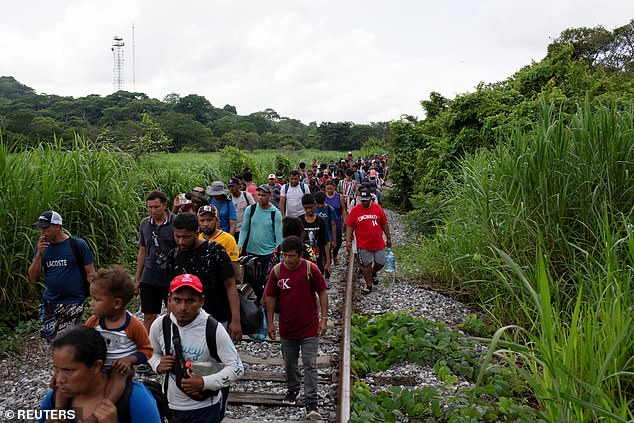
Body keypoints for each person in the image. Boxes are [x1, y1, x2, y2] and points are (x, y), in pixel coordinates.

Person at [54, 266, 154, 421]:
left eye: (97, 299)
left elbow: (147, 350)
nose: (91, 304)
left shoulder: (133, 325)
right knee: (62, 383)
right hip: (95, 370)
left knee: (118, 375)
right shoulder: (93, 322)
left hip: (119, 370)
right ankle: (58, 413)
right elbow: (81, 343)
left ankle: (103, 409)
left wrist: (128, 360)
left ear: (116, 303)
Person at [149, 274, 244, 423]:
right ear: (169, 300)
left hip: (204, 409)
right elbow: (151, 353)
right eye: (177, 300)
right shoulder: (161, 325)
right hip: (169, 406)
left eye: (190, 301)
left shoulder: (213, 329)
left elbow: (237, 368)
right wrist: (157, 364)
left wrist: (204, 382)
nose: (183, 307)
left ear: (201, 301)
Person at [40, 326, 161, 423]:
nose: (60, 379)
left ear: (96, 366)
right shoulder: (53, 401)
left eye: (69, 370)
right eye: (56, 369)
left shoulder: (135, 399)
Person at [265, 236, 328, 421]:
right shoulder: (277, 271)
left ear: (300, 255)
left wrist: (323, 319)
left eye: (292, 256)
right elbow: (270, 297)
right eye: (285, 256)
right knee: (289, 363)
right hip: (287, 327)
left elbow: (322, 292)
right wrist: (270, 323)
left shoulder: (311, 269)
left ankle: (311, 400)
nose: (288, 260)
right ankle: (292, 389)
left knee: (310, 364)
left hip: (309, 327)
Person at [165, 212, 242, 343]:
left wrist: (236, 320)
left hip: (216, 318)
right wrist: (169, 319)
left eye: (186, 237)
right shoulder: (174, 256)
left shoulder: (215, 252)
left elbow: (230, 285)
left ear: (196, 233)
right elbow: (171, 292)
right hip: (186, 319)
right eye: (177, 237)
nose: (181, 241)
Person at [28, 210, 96, 341]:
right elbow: (32, 277)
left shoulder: (78, 245)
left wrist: (97, 299)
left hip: (73, 302)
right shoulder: (42, 247)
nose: (42, 232)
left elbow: (91, 274)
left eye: (46, 228)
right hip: (49, 302)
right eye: (40, 228)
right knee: (51, 341)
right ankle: (57, 361)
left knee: (68, 342)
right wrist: (38, 255)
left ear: (57, 226)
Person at [135, 190, 177, 334]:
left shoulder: (175, 223)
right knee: (149, 315)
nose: (153, 210)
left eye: (156, 207)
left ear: (164, 205)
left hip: (170, 276)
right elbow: (142, 250)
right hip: (150, 275)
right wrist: (137, 279)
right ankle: (146, 347)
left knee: (173, 315)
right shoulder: (145, 224)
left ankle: (171, 344)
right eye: (150, 207)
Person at [237, 184, 283, 304]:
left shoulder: (275, 213)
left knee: (265, 278)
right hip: (252, 251)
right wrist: (240, 244)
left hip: (268, 253)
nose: (261, 197)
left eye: (264, 195)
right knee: (253, 279)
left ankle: (265, 300)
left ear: (269, 196)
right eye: (259, 195)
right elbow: (244, 229)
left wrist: (279, 253)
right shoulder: (250, 210)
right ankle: (261, 298)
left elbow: (278, 235)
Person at [346, 188, 392, 295]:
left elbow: (384, 223)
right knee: (366, 265)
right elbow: (350, 226)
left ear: (370, 199)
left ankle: (374, 272)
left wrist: (388, 237)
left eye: (366, 200)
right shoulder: (355, 210)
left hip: (378, 242)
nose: (364, 202)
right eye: (363, 200)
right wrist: (348, 240)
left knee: (381, 262)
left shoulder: (377, 208)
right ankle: (369, 285)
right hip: (363, 244)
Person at [299, 194, 330, 286]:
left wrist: (328, 261)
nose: (308, 210)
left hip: (318, 257)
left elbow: (325, 242)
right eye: (306, 208)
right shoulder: (300, 221)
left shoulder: (320, 221)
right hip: (304, 258)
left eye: (310, 207)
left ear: (314, 205)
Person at [324, 180, 346, 266]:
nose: (329, 191)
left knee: (338, 241)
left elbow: (343, 209)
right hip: (327, 224)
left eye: (331, 189)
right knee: (327, 242)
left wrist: (344, 220)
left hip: (337, 222)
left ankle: (335, 255)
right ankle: (327, 259)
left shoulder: (339, 196)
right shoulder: (324, 198)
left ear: (334, 188)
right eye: (328, 189)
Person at [228, 177, 255, 243]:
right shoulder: (229, 199)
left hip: (246, 228)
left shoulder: (246, 196)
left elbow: (254, 209)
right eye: (230, 187)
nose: (232, 188)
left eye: (233, 186)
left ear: (238, 186)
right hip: (234, 229)